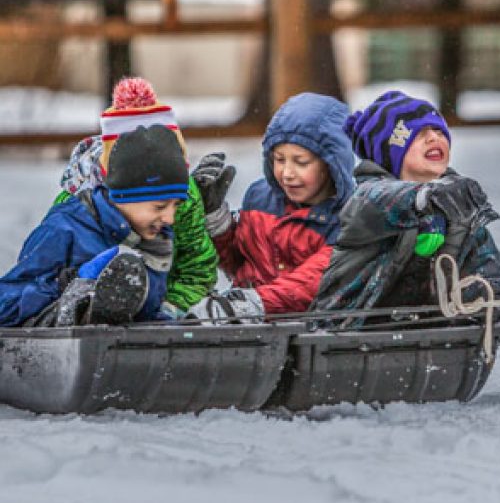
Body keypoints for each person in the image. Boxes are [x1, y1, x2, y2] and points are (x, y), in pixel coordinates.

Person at [312, 90, 500, 331]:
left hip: (430, 333)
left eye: (438, 131)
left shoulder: (457, 206)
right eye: (417, 134)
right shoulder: (367, 199)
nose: (433, 138)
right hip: (347, 332)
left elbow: (483, 265)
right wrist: (425, 198)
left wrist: (495, 305)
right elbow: (386, 199)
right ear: (388, 153)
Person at [55, 77, 218, 317]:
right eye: (159, 205)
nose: (169, 216)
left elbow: (197, 268)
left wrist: (171, 308)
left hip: (161, 315)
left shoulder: (184, 199)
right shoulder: (75, 206)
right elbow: (38, 277)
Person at [186, 92, 356, 320]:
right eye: (279, 159)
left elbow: (313, 283)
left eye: (301, 162)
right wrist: (215, 220)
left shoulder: (349, 217)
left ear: (331, 163)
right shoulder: (260, 199)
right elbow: (239, 261)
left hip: (308, 334)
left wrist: (250, 304)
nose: (287, 173)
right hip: (248, 328)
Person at [0, 124, 191, 327]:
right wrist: (66, 282)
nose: (169, 218)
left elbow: (142, 316)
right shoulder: (65, 229)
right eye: (159, 206)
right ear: (124, 196)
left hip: (117, 352)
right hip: (58, 350)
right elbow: (6, 306)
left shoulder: (155, 240)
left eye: (175, 206)